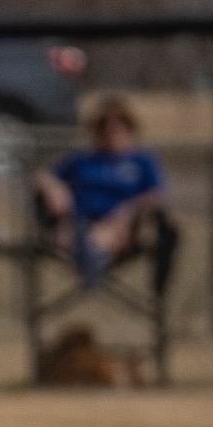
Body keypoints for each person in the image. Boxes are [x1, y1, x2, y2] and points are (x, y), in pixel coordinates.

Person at [36, 94, 165, 285]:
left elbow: (156, 195)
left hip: (120, 227)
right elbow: (41, 175)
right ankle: (89, 258)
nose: (111, 130)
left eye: (119, 124)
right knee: (77, 234)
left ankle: (89, 259)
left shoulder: (142, 161)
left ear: (130, 126)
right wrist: (55, 189)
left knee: (97, 236)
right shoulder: (83, 158)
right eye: (104, 124)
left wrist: (130, 209)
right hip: (77, 220)